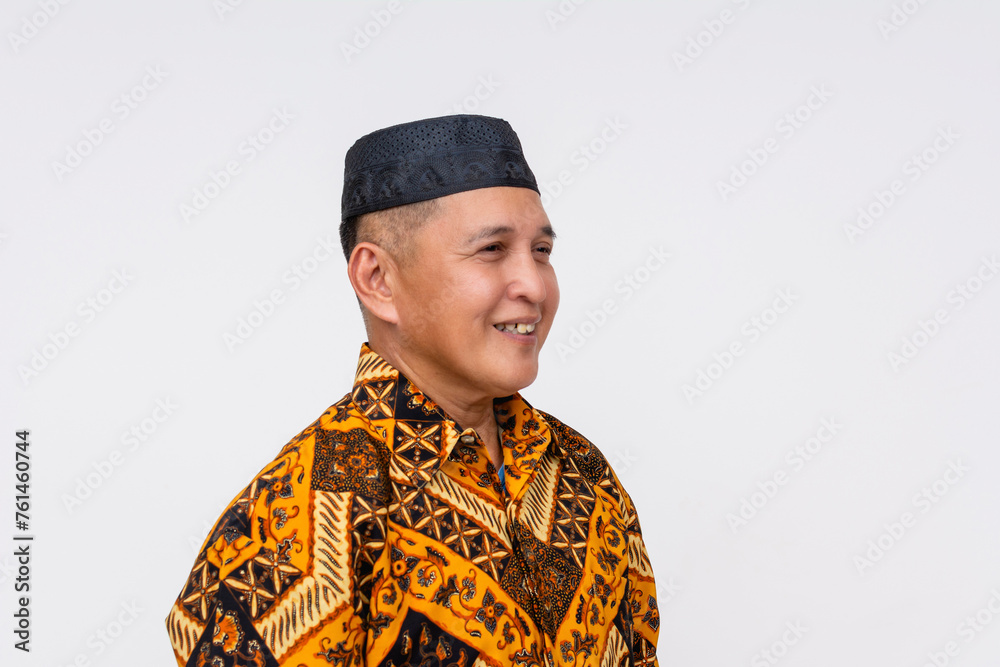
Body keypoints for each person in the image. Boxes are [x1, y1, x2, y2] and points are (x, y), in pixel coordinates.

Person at [165, 114, 659, 667]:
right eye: (493, 249)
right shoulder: (302, 511)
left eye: (541, 250)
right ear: (378, 279)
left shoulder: (582, 472)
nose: (534, 285)